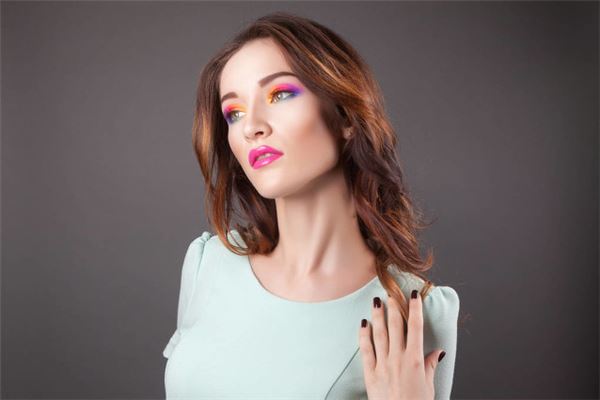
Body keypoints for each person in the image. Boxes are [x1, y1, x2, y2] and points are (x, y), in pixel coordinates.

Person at [163, 11, 460, 400]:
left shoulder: (410, 310)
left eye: (279, 95)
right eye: (234, 113)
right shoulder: (208, 263)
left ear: (346, 116)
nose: (251, 127)